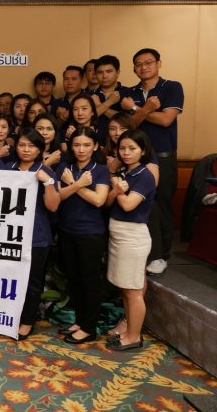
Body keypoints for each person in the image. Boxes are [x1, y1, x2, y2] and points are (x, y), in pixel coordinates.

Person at [120, 48, 183, 275]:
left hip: (163, 158)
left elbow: (166, 120)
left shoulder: (172, 87)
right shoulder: (129, 93)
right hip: (133, 160)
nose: (143, 67)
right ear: (134, 68)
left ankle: (162, 255)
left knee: (161, 206)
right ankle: (145, 253)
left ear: (158, 64)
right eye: (138, 64)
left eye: (148, 63)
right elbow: (129, 126)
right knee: (136, 206)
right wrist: (146, 108)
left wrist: (135, 109)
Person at [55, 127, 110, 344]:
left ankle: (89, 327)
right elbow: (57, 197)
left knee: (90, 281)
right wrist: (77, 184)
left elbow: (99, 200)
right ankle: (80, 321)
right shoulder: (64, 167)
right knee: (74, 279)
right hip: (66, 230)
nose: (81, 149)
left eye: (86, 145)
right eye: (77, 145)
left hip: (90, 233)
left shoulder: (101, 170)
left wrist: (72, 185)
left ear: (95, 146)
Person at [104, 129, 156, 351]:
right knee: (125, 289)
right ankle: (128, 331)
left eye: (132, 149)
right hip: (118, 234)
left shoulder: (145, 175)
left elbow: (127, 205)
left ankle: (134, 337)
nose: (126, 153)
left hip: (133, 236)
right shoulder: (125, 172)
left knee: (134, 290)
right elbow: (108, 203)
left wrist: (117, 187)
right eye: (122, 148)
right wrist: (116, 185)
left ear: (142, 151)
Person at [6, 128, 60, 341]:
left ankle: (27, 321)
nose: (26, 149)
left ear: (39, 149)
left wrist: (47, 182)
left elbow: (53, 206)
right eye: (22, 145)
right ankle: (7, 316)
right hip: (8, 235)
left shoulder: (46, 172)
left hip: (36, 236)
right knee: (8, 277)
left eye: (31, 146)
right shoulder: (7, 169)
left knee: (33, 281)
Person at [91, 55, 128, 140]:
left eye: (109, 71)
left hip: (122, 142)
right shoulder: (89, 95)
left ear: (117, 72)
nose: (104, 76)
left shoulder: (129, 92)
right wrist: (109, 102)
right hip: (93, 143)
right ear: (96, 74)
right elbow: (84, 119)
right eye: (100, 72)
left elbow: (127, 121)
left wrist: (99, 105)